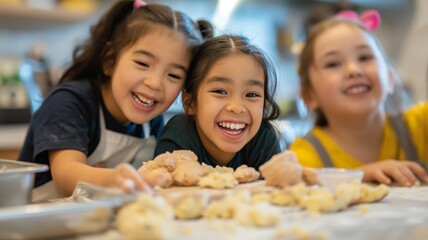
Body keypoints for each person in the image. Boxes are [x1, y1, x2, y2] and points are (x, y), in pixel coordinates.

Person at [18, 0, 211, 200]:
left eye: (174, 75)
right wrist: (115, 178)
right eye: (143, 63)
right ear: (110, 60)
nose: (155, 83)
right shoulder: (70, 102)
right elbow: (66, 178)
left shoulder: (152, 123)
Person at [288, 11, 428, 187]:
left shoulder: (422, 124)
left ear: (389, 78)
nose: (353, 70)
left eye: (364, 57)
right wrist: (357, 177)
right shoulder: (304, 157)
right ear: (309, 95)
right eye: (333, 64)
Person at [154, 34, 282, 170]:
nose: (237, 107)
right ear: (189, 102)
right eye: (220, 91)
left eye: (252, 94)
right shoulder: (179, 134)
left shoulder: (263, 138)